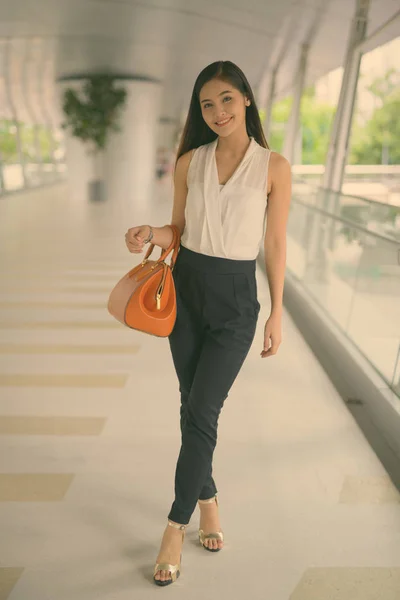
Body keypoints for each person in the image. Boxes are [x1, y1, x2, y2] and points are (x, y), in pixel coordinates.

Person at [124, 60, 292, 587]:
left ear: (245, 98)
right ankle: (210, 500)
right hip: (189, 290)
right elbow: (177, 228)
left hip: (238, 300)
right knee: (191, 404)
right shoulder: (189, 162)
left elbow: (276, 244)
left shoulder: (274, 167)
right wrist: (151, 231)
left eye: (225, 99)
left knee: (202, 407)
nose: (217, 112)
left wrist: (277, 312)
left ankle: (177, 524)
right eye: (206, 104)